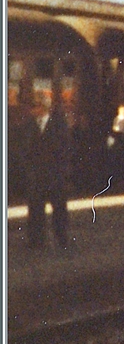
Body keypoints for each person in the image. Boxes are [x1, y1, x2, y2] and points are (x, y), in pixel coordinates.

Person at [18, 88, 71, 249]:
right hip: (36, 175)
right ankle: (36, 240)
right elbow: (23, 148)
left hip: (55, 174)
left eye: (36, 106)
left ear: (44, 107)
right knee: (35, 208)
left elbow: (65, 147)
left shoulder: (58, 124)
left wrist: (62, 170)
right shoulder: (29, 126)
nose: (33, 110)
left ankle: (62, 238)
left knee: (59, 208)